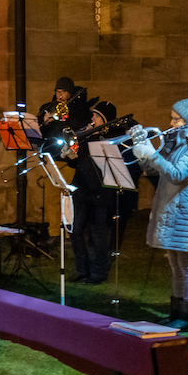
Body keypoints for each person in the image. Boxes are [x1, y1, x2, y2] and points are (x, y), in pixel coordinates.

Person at [132, 89, 188, 332]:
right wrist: (143, 149)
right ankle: (177, 312)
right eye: (171, 118)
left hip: (187, 207)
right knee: (175, 264)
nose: (170, 123)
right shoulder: (179, 138)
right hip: (172, 205)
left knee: (186, 264)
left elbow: (178, 174)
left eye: (175, 119)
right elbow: (155, 168)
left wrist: (153, 154)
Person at [66, 101, 119, 284]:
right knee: (75, 230)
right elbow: (75, 161)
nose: (92, 118)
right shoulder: (84, 135)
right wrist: (70, 155)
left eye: (96, 116)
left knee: (98, 233)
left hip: (99, 191)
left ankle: (99, 272)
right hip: (81, 188)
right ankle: (82, 269)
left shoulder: (109, 139)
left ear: (104, 120)